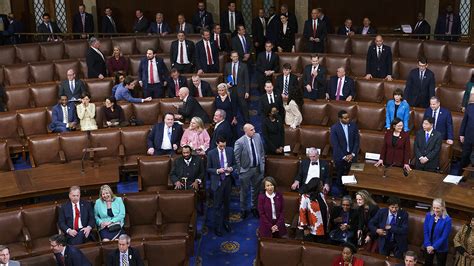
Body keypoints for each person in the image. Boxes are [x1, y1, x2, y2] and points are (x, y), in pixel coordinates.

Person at [207, 136, 236, 236]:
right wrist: (217, 171)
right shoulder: (211, 153)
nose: (223, 147)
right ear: (217, 144)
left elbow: (235, 164)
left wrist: (231, 168)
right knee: (217, 205)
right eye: (221, 145)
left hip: (227, 180)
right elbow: (208, 169)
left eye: (224, 145)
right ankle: (217, 227)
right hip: (217, 181)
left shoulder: (230, 150)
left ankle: (226, 222)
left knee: (227, 204)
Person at [235, 123, 265, 219]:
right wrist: (240, 170)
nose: (254, 131)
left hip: (257, 168)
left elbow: (261, 152)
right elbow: (236, 158)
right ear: (246, 131)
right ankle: (243, 209)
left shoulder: (258, 137)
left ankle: (254, 207)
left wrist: (262, 165)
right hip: (245, 170)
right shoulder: (239, 142)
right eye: (252, 130)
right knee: (244, 191)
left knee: (256, 190)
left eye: (254, 129)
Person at [330, 110, 360, 194]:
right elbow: (335, 144)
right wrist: (344, 157)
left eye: (348, 117)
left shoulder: (353, 126)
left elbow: (356, 141)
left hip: (352, 156)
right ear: (340, 118)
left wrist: (352, 154)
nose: (347, 119)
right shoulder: (334, 128)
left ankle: (350, 194)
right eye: (345, 118)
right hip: (340, 156)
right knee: (340, 175)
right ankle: (340, 194)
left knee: (352, 176)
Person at [299, 179, 330, 243]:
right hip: (312, 229)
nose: (322, 186)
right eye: (321, 185)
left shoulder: (321, 195)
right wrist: (305, 228)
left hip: (323, 226)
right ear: (316, 186)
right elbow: (302, 212)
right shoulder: (305, 197)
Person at [423, 198, 452, 266]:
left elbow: (444, 237)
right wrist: (428, 245)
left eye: (438, 208)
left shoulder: (447, 220)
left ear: (443, 208)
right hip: (428, 245)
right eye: (434, 207)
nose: (435, 210)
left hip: (441, 247)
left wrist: (433, 247)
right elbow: (425, 231)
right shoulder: (428, 215)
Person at [224, 51, 250, 122]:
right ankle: (233, 120)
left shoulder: (244, 65)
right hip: (231, 89)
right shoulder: (227, 65)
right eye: (233, 56)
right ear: (231, 57)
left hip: (241, 89)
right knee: (233, 106)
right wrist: (227, 83)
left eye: (236, 56)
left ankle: (247, 121)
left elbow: (246, 79)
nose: (235, 58)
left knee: (244, 107)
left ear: (238, 57)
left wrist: (247, 91)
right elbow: (226, 76)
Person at [460, 102, 474, 173]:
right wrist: (462, 134)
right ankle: (460, 175)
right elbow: (464, 121)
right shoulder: (470, 107)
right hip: (468, 137)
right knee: (465, 156)